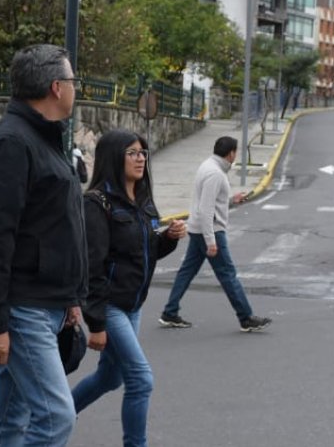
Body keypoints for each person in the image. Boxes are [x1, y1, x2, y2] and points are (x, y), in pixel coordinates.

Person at [0, 44, 87, 447]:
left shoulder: (45, 139)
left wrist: (71, 297)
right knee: (56, 418)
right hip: (24, 310)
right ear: (56, 87)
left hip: (48, 303)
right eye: (74, 81)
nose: (77, 88)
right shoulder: (12, 143)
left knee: (10, 415)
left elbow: (56, 227)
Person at [72, 129, 185, 447]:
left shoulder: (143, 200)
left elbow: (145, 251)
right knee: (140, 379)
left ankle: (57, 413)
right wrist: (96, 323)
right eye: (133, 153)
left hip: (133, 304)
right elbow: (92, 267)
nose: (141, 159)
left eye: (143, 153)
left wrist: (168, 239)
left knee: (112, 377)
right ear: (114, 157)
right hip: (110, 305)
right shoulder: (97, 203)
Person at [159, 136, 271, 333]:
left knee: (187, 271)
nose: (236, 156)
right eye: (236, 153)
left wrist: (231, 200)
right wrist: (211, 240)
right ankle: (246, 317)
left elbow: (211, 201)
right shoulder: (215, 174)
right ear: (231, 153)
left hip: (198, 229)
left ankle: (170, 312)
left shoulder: (208, 166)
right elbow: (206, 209)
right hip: (209, 231)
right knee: (228, 275)